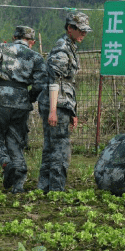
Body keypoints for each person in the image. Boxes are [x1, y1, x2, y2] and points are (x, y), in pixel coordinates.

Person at [0, 26, 46, 193]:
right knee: (16, 142)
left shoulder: (1, 48)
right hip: (21, 103)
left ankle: (7, 164)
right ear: (32, 42)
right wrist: (29, 98)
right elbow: (40, 84)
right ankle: (18, 184)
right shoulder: (36, 57)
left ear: (14, 37)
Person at [37, 12, 92, 193]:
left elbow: (67, 84)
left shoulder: (69, 47)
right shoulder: (62, 49)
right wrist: (53, 110)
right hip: (57, 105)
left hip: (62, 104)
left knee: (51, 146)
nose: (83, 34)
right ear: (70, 28)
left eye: (85, 31)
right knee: (60, 148)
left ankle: (44, 188)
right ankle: (56, 190)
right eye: (80, 31)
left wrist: (73, 112)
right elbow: (55, 80)